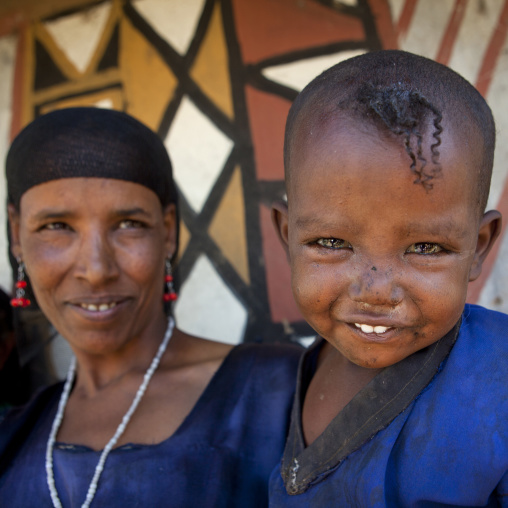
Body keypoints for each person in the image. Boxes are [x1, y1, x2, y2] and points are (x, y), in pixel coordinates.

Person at [0, 107, 301, 507]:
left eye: (128, 224)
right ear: (17, 235)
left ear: (169, 230)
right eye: (57, 226)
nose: (96, 270)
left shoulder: (279, 390)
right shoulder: (13, 435)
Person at [269, 50, 508, 506]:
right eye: (332, 243)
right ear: (287, 235)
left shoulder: (499, 385)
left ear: (478, 246)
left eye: (425, 248)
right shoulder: (297, 375)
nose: (376, 291)